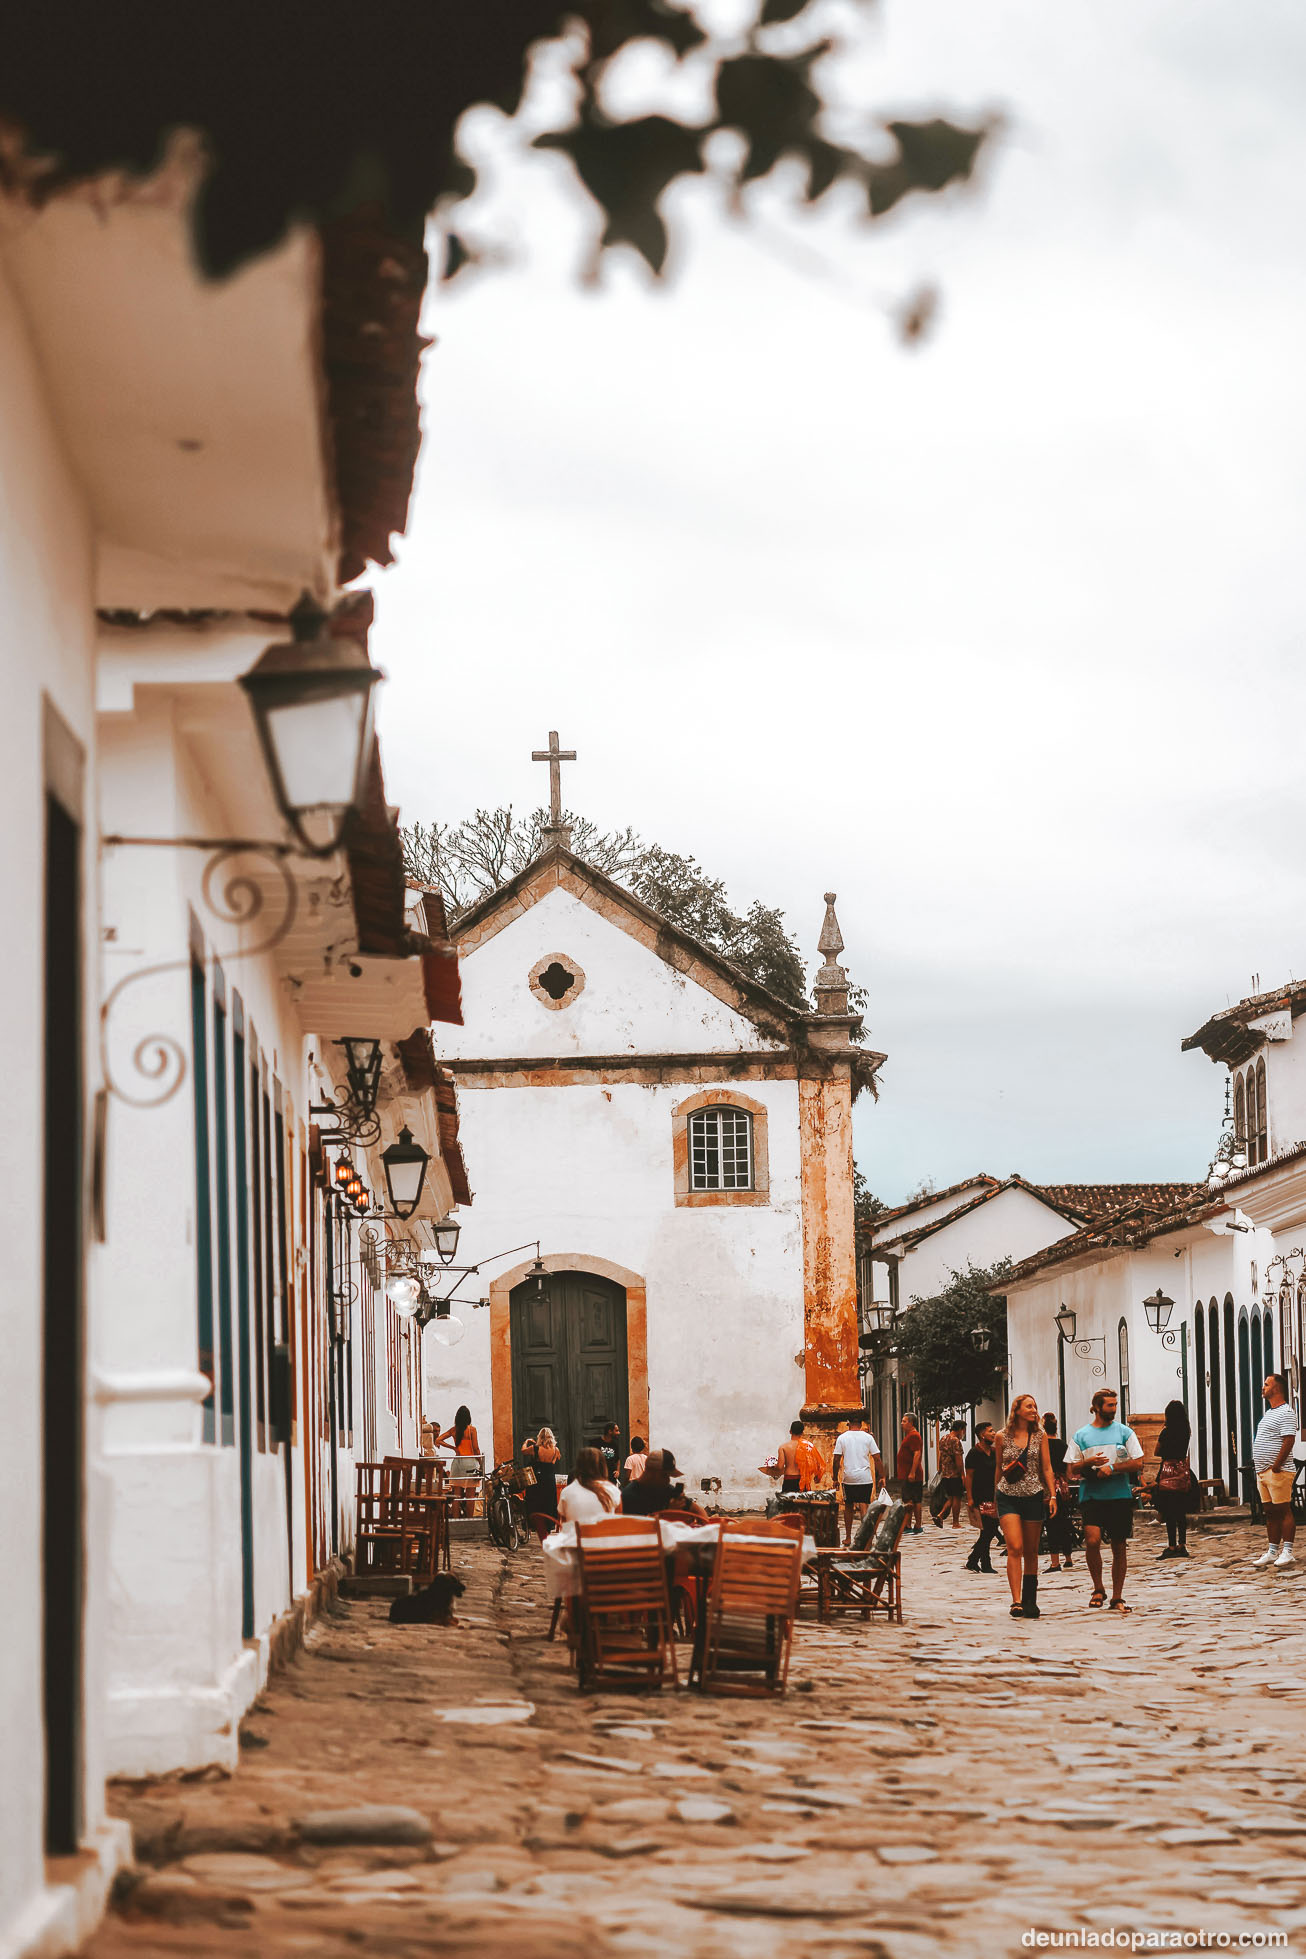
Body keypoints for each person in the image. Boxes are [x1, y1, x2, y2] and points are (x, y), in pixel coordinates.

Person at [1065, 1386, 1144, 1612]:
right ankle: (1098, 1587)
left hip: (1118, 1495)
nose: (1114, 1409)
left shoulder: (1124, 1432)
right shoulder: (1081, 1435)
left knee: (1119, 1545)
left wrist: (1112, 1466)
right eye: (1110, 1405)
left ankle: (1117, 1596)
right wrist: (1088, 1463)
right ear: (1097, 1408)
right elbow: (1071, 1469)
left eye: (1115, 1405)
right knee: (1092, 1540)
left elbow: (1138, 1462)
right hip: (1092, 1495)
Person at [996, 1393, 1057, 1618]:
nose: (1033, 1410)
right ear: (1018, 1410)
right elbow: (998, 1468)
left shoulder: (1040, 1436)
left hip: (1033, 1495)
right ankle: (1016, 1600)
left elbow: (1047, 1467)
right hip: (1007, 1495)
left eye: (1035, 1406)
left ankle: (1030, 1599)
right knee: (1014, 1546)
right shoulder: (1002, 1437)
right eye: (1029, 1406)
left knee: (1032, 1550)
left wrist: (1052, 1496)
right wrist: (993, 1497)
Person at [1251, 1373, 1300, 1570]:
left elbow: (1289, 1439)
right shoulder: (1270, 1412)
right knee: (1270, 1512)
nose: (1263, 1387)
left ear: (1276, 1388)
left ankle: (1287, 1551)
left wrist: (1277, 1464)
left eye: (1266, 1384)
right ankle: (1272, 1551)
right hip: (1263, 1471)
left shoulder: (1286, 1412)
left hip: (1278, 1471)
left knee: (1283, 1510)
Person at [833, 1411, 884, 1547]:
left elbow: (836, 1459)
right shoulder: (868, 1438)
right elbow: (877, 1458)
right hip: (864, 1477)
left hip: (848, 1477)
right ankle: (866, 1537)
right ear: (861, 1424)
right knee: (864, 1505)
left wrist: (834, 1478)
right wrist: (882, 1475)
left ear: (848, 1423)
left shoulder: (842, 1438)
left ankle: (848, 1537)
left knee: (848, 1506)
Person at [1153, 1399, 1195, 1559]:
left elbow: (1157, 1451)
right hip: (1182, 1470)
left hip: (1167, 1471)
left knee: (1169, 1510)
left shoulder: (1166, 1432)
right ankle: (1182, 1544)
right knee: (1181, 1511)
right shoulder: (1186, 1431)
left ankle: (1171, 1546)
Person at [623, 1449, 710, 1521]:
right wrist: (669, 1514)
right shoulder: (629, 1496)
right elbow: (638, 1530)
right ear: (651, 1472)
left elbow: (699, 1511)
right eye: (665, 1475)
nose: (668, 1480)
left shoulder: (666, 1490)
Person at [963, 1421, 999, 1573]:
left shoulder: (995, 1451)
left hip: (993, 1495)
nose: (994, 1433)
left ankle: (978, 1561)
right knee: (988, 1530)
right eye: (990, 1431)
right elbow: (969, 1477)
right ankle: (980, 1561)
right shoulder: (974, 1453)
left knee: (989, 1529)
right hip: (979, 1496)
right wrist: (970, 1497)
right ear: (982, 1435)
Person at [1042, 1412, 1074, 1573]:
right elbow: (1069, 1470)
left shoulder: (1042, 1445)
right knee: (1064, 1522)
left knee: (1051, 1523)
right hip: (1062, 1487)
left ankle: (1055, 1562)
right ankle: (1068, 1558)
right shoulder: (1063, 1445)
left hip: (1048, 1487)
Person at [557, 1446, 621, 1524]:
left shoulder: (566, 1492)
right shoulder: (613, 1491)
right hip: (604, 1535)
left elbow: (564, 1524)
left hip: (577, 1535)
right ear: (602, 1466)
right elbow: (618, 1523)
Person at [777, 1420, 826, 1495]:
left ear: (790, 1431)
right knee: (802, 1505)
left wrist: (773, 1468)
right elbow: (818, 1463)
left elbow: (780, 1467)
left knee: (788, 1505)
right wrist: (817, 1476)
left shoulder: (783, 1447)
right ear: (802, 1432)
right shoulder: (808, 1446)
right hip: (803, 1480)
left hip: (789, 1480)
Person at [896, 1414, 925, 1532]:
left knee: (911, 1499)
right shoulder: (910, 1436)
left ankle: (913, 1525)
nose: (902, 1423)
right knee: (911, 1499)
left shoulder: (914, 1436)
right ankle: (909, 1525)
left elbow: (917, 1453)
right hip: (908, 1473)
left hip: (911, 1474)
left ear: (911, 1423)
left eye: (904, 1421)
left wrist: (912, 1472)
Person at [937, 1420, 967, 1529]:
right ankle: (955, 1523)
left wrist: (940, 1468)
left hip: (945, 1473)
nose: (963, 1433)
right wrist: (963, 1475)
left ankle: (940, 1515)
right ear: (960, 1429)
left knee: (950, 1498)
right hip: (954, 1474)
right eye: (963, 1430)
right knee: (957, 1498)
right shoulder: (956, 1441)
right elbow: (959, 1460)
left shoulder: (943, 1438)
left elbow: (941, 1455)